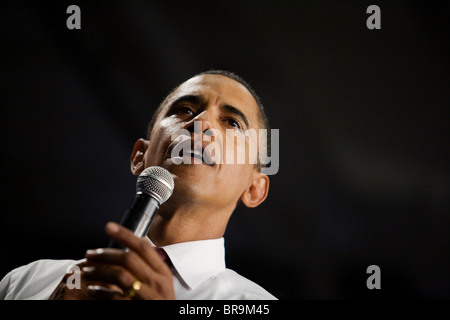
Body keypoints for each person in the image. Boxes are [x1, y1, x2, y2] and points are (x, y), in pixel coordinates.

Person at [0, 70, 277, 300]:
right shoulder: (25, 283)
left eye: (231, 122)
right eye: (185, 110)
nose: (200, 122)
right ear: (139, 157)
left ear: (254, 189)